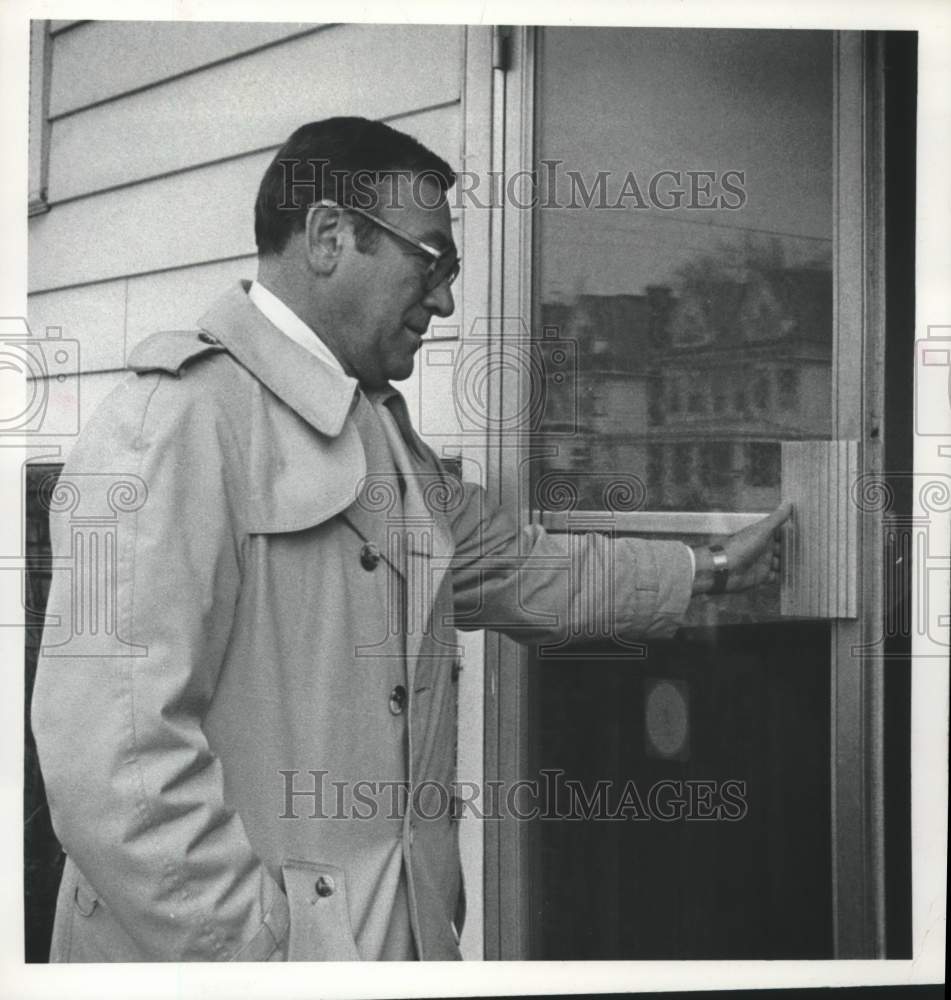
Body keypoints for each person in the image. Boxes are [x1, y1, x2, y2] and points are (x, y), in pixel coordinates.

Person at [31, 117, 789, 962]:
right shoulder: (169, 423)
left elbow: (514, 567)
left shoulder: (376, 432)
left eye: (450, 272)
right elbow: (116, 771)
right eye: (430, 262)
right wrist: (266, 962)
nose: (445, 300)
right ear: (328, 236)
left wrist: (707, 568)